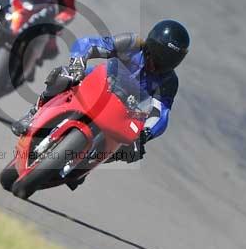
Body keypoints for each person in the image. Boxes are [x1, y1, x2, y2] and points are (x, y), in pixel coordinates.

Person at [11, 20, 190, 177]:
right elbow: (89, 44)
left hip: (126, 112)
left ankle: (85, 168)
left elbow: (161, 113)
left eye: (168, 62)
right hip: (99, 83)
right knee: (63, 76)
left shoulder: (169, 81)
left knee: (131, 150)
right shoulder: (132, 43)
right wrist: (78, 63)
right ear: (150, 45)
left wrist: (145, 134)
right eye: (157, 57)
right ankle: (34, 113)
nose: (158, 65)